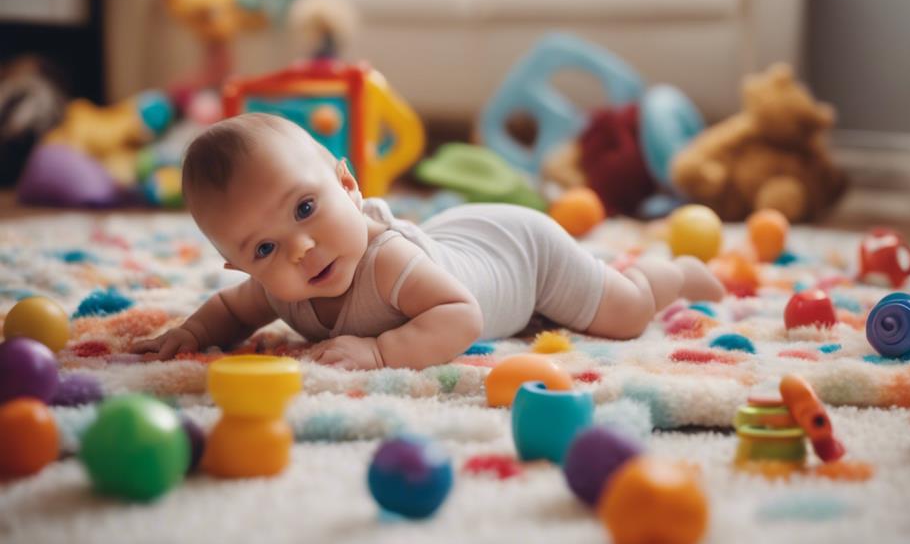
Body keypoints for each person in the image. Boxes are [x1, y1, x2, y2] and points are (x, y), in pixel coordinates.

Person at [130, 113, 725, 369]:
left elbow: (462, 314)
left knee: (621, 315)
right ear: (238, 265)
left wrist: (381, 353)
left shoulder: (387, 264)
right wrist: (193, 334)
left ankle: (667, 273)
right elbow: (231, 312)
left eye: (307, 208)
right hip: (456, 240)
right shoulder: (278, 288)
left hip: (523, 253)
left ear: (348, 184)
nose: (300, 249)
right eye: (264, 249)